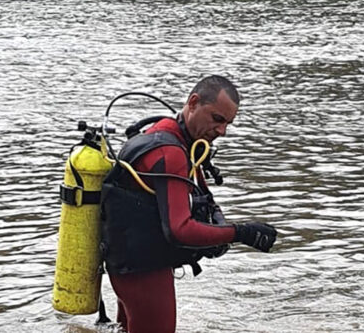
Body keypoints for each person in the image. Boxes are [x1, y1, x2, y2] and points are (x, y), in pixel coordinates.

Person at [100, 75, 278, 333]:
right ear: (193, 103)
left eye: (228, 123)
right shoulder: (170, 152)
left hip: (126, 265)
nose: (222, 131)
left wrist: (217, 223)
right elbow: (179, 229)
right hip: (144, 272)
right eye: (217, 119)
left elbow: (201, 196)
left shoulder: (169, 133)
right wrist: (241, 232)